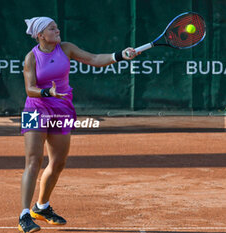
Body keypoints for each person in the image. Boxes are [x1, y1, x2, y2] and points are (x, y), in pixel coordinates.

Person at [18, 16, 139, 233]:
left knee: (58, 162)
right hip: (36, 109)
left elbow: (93, 58)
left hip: (62, 108)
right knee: (34, 161)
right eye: (52, 28)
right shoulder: (31, 58)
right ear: (40, 35)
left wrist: (120, 55)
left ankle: (41, 207)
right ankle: (24, 215)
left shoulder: (66, 48)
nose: (57, 30)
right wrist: (48, 92)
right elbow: (30, 88)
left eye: (56, 27)